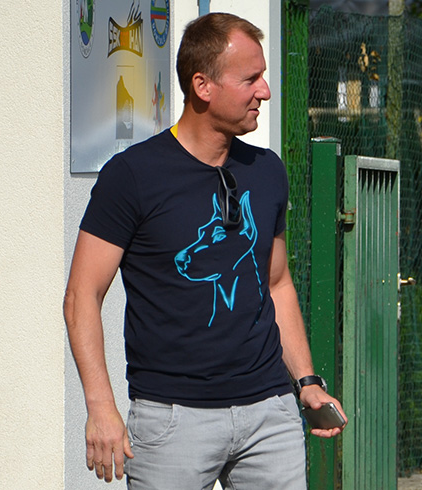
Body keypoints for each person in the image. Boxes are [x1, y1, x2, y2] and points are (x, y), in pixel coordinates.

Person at [63, 12, 346, 489]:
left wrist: (306, 381)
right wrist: (101, 406)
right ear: (203, 86)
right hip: (173, 420)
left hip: (270, 413)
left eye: (263, 77)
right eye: (250, 79)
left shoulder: (267, 171)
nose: (265, 91)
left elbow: (276, 283)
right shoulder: (132, 176)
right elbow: (81, 296)